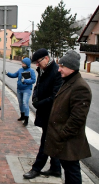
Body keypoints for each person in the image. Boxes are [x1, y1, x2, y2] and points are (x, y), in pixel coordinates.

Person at [44, 50, 91, 184]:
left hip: (69, 140)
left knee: (72, 171)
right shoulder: (69, 81)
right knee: (68, 170)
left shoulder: (80, 87)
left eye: (62, 66)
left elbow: (77, 118)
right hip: (63, 139)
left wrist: (62, 134)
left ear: (71, 68)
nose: (59, 70)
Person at [23, 48, 62, 179]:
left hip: (52, 114)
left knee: (45, 142)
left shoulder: (56, 72)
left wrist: (40, 103)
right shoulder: (43, 70)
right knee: (51, 140)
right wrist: (34, 97)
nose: (37, 65)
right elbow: (37, 86)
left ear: (46, 58)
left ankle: (36, 169)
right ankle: (56, 168)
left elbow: (55, 96)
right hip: (44, 111)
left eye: (38, 62)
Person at [5, 57, 36, 126]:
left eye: (24, 63)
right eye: (22, 62)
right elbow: (14, 75)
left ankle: (26, 119)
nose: (22, 64)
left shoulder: (31, 71)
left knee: (25, 102)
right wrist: (7, 73)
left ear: (27, 64)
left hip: (27, 89)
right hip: (19, 89)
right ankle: (22, 116)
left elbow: (33, 80)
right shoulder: (20, 70)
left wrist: (25, 81)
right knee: (20, 103)